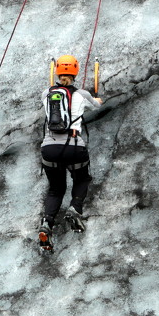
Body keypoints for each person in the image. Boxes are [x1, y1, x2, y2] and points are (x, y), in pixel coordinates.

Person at [39, 54, 102, 251]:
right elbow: (98, 104)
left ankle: (47, 224)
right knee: (81, 179)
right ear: (75, 72)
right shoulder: (82, 94)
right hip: (74, 146)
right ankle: (75, 209)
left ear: (57, 72)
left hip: (49, 148)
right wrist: (96, 97)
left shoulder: (46, 94)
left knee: (56, 189)